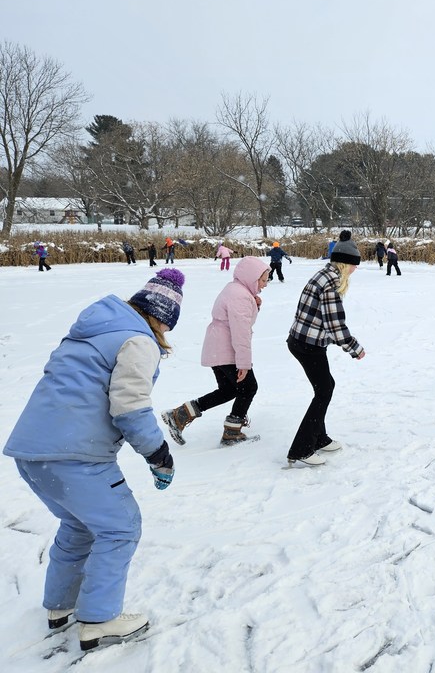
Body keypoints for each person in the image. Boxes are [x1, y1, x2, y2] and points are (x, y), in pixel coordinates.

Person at [3, 268, 185, 650]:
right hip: (76, 454)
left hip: (33, 451)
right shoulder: (138, 340)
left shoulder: (93, 332)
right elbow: (130, 408)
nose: (165, 336)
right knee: (121, 526)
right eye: (167, 327)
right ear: (161, 319)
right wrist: (158, 454)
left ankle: (59, 607)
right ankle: (100, 620)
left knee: (79, 526)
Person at [161, 257, 270, 446]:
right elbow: (241, 332)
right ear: (252, 278)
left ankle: (180, 415)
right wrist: (243, 363)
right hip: (227, 349)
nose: (265, 284)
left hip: (217, 348)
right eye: (263, 280)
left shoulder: (235, 289)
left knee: (228, 390)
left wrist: (255, 306)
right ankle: (232, 432)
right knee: (248, 387)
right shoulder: (241, 296)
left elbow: (237, 321)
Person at [285, 232, 365, 467]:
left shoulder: (325, 274)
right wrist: (354, 348)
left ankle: (319, 438)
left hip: (305, 341)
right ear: (344, 263)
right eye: (353, 265)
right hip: (306, 345)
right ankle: (301, 448)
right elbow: (335, 325)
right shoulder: (330, 282)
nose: (354, 270)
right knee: (324, 391)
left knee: (324, 387)